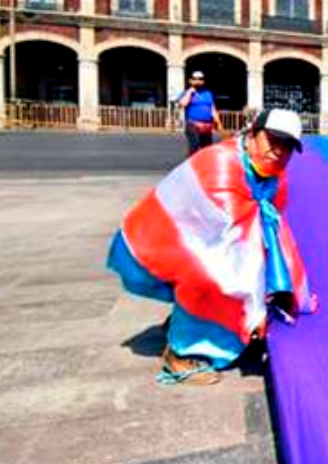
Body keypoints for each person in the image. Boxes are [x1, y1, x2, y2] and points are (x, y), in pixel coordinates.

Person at [108, 108, 317, 385]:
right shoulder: (221, 164)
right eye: (273, 140)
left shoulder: (275, 174)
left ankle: (196, 324)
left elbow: (271, 219)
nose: (279, 151)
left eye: (288, 146)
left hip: (210, 237)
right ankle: (181, 354)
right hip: (169, 238)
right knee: (214, 277)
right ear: (254, 134)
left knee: (267, 262)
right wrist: (252, 302)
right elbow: (229, 238)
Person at [177, 70, 222, 156]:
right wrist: (190, 92)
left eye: (200, 79)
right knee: (195, 145)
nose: (198, 81)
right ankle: (191, 165)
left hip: (206, 125)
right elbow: (182, 104)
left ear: (203, 81)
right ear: (190, 80)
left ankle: (204, 167)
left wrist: (218, 122)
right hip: (193, 124)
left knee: (207, 148)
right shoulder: (187, 92)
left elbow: (212, 109)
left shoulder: (208, 93)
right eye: (195, 79)